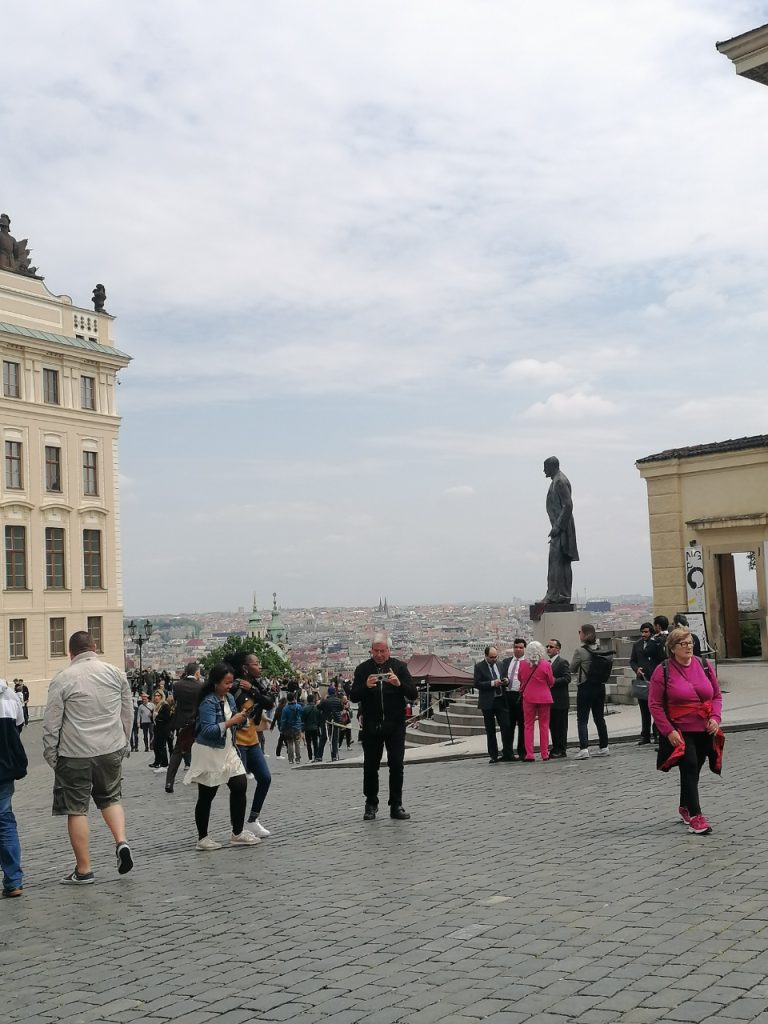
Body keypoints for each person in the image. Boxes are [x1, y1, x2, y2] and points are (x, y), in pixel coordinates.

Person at [42, 631, 134, 884]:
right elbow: (128, 712)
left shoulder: (63, 678)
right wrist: (123, 742)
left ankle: (84, 869)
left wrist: (52, 755)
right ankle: (121, 841)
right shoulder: (115, 673)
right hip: (110, 747)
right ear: (95, 647)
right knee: (111, 797)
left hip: (75, 752)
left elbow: (51, 723)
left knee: (76, 809)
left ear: (70, 653)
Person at [649, 627, 722, 835]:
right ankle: (697, 817)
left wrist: (715, 718)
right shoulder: (662, 670)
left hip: (704, 727)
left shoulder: (703, 665)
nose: (689, 647)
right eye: (683, 643)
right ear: (672, 648)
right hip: (680, 729)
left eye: (690, 643)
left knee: (694, 769)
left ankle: (685, 806)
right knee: (689, 764)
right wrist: (668, 730)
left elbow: (716, 696)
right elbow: (654, 704)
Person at [183, 663, 259, 850]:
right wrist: (231, 721)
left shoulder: (230, 698)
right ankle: (202, 838)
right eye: (226, 682)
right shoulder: (208, 702)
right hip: (209, 751)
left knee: (240, 784)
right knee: (207, 794)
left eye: (231, 682)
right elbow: (208, 731)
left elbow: (232, 723)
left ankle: (237, 832)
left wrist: (241, 721)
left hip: (227, 749)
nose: (229, 686)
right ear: (216, 683)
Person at [350, 633, 418, 821]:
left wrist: (398, 684)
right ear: (371, 651)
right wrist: (366, 686)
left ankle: (396, 804)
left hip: (394, 724)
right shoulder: (363, 669)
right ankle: (371, 803)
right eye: (375, 651)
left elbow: (413, 694)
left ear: (389, 651)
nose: (379, 654)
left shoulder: (399, 667)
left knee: (396, 765)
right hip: (372, 725)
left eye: (382, 651)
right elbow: (353, 696)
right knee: (370, 766)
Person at [229, 653, 273, 834]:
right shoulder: (233, 685)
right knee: (239, 786)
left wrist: (252, 690)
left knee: (265, 778)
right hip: (238, 741)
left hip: (252, 739)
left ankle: (253, 819)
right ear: (246, 667)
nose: (260, 666)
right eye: (256, 664)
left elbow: (269, 702)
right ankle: (237, 828)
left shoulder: (258, 684)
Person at [0, 676, 27, 897]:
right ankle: (13, 880)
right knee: (5, 822)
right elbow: (18, 729)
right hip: (3, 770)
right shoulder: (9, 696)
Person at [570, 624, 612, 759]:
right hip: (600, 686)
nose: (579, 634)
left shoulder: (580, 651)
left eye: (580, 632)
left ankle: (584, 749)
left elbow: (572, 668)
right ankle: (604, 746)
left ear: (584, 634)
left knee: (582, 719)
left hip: (586, 686)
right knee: (599, 717)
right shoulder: (601, 650)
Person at [541, 456, 579, 604]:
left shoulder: (560, 481)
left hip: (562, 528)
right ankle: (558, 594)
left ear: (552, 466)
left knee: (558, 561)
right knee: (559, 561)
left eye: (545, 467)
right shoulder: (557, 480)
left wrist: (558, 527)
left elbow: (568, 505)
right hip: (561, 527)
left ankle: (557, 594)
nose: (543, 470)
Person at [165, 662, 203, 793]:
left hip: (181, 723)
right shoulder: (201, 686)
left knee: (178, 752)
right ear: (197, 673)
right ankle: (199, 777)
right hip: (197, 723)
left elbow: (175, 702)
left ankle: (169, 781)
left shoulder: (177, 686)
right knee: (202, 750)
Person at [474, 646, 514, 764]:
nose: (494, 659)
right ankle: (493, 755)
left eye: (496, 657)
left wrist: (506, 681)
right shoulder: (479, 667)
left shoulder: (500, 664)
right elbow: (477, 683)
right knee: (490, 729)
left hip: (501, 699)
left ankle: (508, 752)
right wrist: (492, 683)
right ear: (486, 656)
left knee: (506, 726)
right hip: (488, 702)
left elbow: (506, 677)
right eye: (491, 657)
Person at [518, 641, 554, 762]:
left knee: (528, 725)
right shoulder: (546, 664)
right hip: (544, 697)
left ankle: (530, 754)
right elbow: (551, 681)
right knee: (544, 725)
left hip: (528, 697)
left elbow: (520, 679)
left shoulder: (522, 664)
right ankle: (544, 753)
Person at [630, 623, 657, 745]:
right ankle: (645, 735)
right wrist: (637, 669)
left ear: (651, 632)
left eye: (646, 632)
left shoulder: (655, 643)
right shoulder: (637, 644)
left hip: (654, 680)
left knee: (656, 708)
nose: (643, 634)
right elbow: (632, 661)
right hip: (642, 680)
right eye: (642, 632)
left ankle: (657, 733)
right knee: (644, 709)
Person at [500, 639, 526, 759]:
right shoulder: (506, 662)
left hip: (521, 696)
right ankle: (508, 752)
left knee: (523, 725)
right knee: (507, 725)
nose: (518, 649)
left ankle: (522, 751)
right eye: (516, 647)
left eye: (520, 647)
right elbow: (502, 675)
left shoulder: (527, 662)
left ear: (524, 648)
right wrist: (504, 680)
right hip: (507, 695)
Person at [547, 639, 570, 757]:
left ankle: (561, 749)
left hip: (560, 700)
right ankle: (555, 747)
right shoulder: (546, 663)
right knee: (552, 725)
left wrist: (553, 681)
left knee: (561, 726)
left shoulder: (562, 662)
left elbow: (567, 678)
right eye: (547, 646)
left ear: (558, 649)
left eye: (551, 646)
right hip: (549, 700)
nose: (548, 648)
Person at [317, 686, 343, 762]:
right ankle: (334, 756)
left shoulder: (326, 701)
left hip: (326, 721)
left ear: (328, 692)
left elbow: (319, 707)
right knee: (334, 739)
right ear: (335, 692)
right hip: (336, 722)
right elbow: (341, 708)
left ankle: (319, 756)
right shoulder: (338, 700)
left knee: (323, 738)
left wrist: (322, 699)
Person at [148, 690, 172, 772]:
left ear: (161, 696)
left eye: (158, 695)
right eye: (155, 696)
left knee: (162, 746)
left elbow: (166, 717)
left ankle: (164, 764)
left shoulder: (164, 705)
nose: (156, 697)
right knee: (156, 746)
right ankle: (157, 762)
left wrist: (157, 715)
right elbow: (153, 718)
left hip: (163, 729)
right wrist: (152, 716)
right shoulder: (156, 706)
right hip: (157, 729)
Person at [280, 694, 304, 765]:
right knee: (297, 743)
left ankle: (290, 759)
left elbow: (283, 720)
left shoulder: (285, 708)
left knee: (289, 743)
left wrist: (282, 728)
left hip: (288, 728)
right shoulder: (298, 707)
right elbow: (302, 715)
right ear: (294, 698)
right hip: (297, 727)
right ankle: (298, 759)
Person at [300, 693, 322, 762]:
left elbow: (302, 719)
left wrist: (302, 729)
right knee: (315, 743)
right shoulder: (316, 708)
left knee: (308, 743)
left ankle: (310, 758)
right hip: (315, 728)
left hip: (307, 728)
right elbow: (319, 718)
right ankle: (316, 756)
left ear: (307, 700)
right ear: (313, 700)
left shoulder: (304, 708)